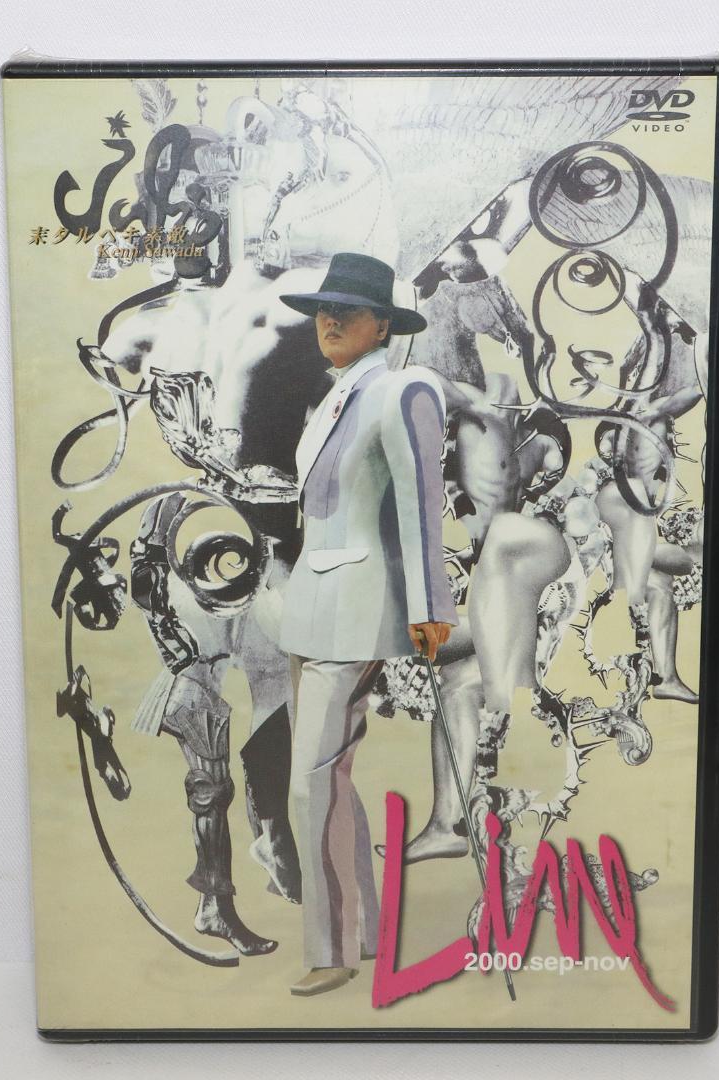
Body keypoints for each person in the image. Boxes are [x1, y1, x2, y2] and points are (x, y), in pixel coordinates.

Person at [276, 252, 458, 996]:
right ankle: (365, 930)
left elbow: (420, 501)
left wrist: (429, 607)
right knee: (330, 781)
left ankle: (332, 951)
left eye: (346, 311)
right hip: (311, 611)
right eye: (323, 310)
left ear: (383, 325)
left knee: (309, 787)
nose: (329, 321)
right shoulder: (334, 397)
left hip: (357, 610)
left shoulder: (402, 388)